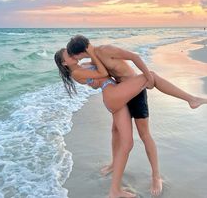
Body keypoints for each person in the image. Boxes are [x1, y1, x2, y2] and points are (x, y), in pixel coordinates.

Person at [54, 43, 207, 198]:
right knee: (151, 76)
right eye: (69, 55)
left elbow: (99, 78)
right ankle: (191, 99)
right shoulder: (77, 73)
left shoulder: (85, 65)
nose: (73, 55)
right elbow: (102, 72)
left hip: (117, 93)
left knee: (122, 137)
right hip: (114, 95)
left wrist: (93, 64)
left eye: (72, 52)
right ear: (64, 63)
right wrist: (93, 56)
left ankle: (115, 181)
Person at [67, 36, 162, 196]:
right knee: (115, 131)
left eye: (72, 55)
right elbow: (100, 75)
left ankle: (156, 176)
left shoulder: (105, 50)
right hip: (121, 92)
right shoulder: (94, 59)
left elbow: (134, 57)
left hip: (135, 92)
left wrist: (148, 77)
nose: (73, 59)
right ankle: (113, 163)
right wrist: (92, 81)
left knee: (144, 135)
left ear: (79, 53)